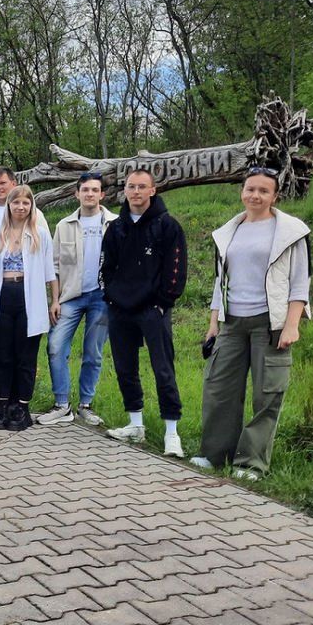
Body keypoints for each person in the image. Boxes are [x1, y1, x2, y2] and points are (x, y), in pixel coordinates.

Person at [191, 168, 311, 479]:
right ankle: (214, 454)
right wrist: (214, 323)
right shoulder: (229, 231)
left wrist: (292, 325)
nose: (255, 195)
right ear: (242, 192)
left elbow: (300, 281)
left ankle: (250, 463)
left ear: (275, 196)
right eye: (250, 189)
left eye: (263, 191)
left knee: (267, 394)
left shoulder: (291, 232)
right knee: (219, 388)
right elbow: (220, 282)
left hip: (269, 324)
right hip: (231, 323)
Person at [100, 168, 188, 457]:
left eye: (141, 186)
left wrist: (163, 301)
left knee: (163, 369)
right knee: (125, 368)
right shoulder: (116, 228)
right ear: (124, 190)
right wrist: (111, 297)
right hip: (120, 310)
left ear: (153, 190)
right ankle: (135, 425)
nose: (135, 191)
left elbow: (176, 270)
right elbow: (105, 267)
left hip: (153, 309)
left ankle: (171, 432)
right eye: (131, 186)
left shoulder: (168, 226)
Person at [38, 172, 117, 427]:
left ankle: (86, 405)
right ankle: (62, 405)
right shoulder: (64, 225)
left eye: (94, 190)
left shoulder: (116, 224)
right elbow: (54, 267)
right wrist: (54, 300)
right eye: (85, 190)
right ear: (77, 193)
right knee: (55, 346)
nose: (89, 194)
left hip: (102, 297)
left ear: (102, 194)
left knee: (93, 353)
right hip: (70, 296)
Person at [0, 186, 58, 432]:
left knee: (26, 357)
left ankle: (22, 407)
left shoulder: (39, 234)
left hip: (29, 298)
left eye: (26, 203)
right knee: (3, 355)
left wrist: (54, 300)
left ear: (31, 206)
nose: (21, 207)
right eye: (16, 202)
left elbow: (50, 272)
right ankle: (4, 405)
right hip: (3, 296)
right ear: (9, 205)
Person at [0, 167, 48, 416]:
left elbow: (44, 259)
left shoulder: (35, 217)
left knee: (22, 350)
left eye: (2, 183)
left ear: (14, 183)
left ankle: (19, 401)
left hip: (24, 293)